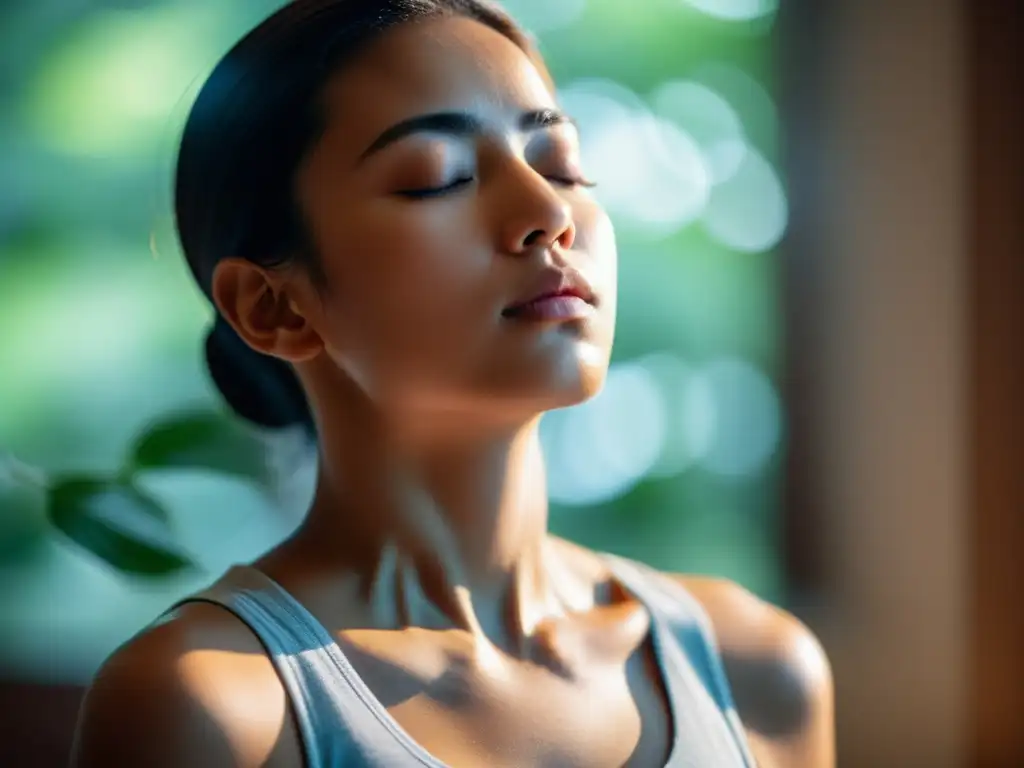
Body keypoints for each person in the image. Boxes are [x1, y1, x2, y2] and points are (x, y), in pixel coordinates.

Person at [70, 1, 834, 766]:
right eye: (438, 177)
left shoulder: (756, 672)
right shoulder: (209, 707)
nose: (547, 211)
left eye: (562, 163)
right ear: (274, 306)